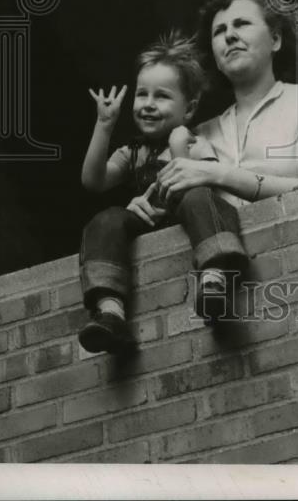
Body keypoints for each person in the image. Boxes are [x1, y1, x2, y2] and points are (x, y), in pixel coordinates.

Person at [155, 0, 298, 301]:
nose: (229, 34)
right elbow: (167, 211)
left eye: (241, 23)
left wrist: (218, 173)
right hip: (217, 304)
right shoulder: (196, 134)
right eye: (219, 31)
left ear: (275, 39)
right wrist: (144, 206)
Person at [77, 32, 231, 355]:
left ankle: (214, 280)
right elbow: (94, 181)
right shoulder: (133, 152)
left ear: (188, 109)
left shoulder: (193, 143)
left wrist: (178, 147)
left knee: (200, 199)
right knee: (106, 220)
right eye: (141, 94)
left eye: (161, 96)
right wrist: (104, 125)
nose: (147, 104)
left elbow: (202, 188)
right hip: (147, 221)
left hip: (186, 218)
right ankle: (110, 311)